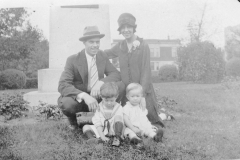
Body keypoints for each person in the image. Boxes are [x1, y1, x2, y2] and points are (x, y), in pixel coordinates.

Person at [104, 13, 164, 128]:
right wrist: (94, 52)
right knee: (127, 118)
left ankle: (160, 117)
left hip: (142, 90)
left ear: (133, 28)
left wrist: (142, 96)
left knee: (150, 120)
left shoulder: (143, 45)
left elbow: (146, 71)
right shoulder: (120, 46)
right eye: (123, 28)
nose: (126, 30)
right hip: (127, 91)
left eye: (129, 27)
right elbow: (107, 54)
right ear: (120, 30)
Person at [58, 26, 124, 130]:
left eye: (97, 42)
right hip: (81, 101)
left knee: (120, 85)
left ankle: (106, 117)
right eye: (91, 42)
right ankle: (76, 121)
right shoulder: (73, 60)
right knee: (67, 103)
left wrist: (100, 83)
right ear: (84, 43)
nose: (95, 45)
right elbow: (63, 85)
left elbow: (115, 74)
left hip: (98, 97)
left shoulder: (102, 56)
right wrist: (84, 96)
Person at [82, 82, 124, 147]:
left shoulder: (118, 107)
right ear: (101, 97)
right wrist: (102, 136)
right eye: (106, 100)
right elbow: (98, 123)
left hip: (113, 129)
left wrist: (118, 133)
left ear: (116, 97)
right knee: (85, 127)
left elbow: (120, 121)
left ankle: (117, 138)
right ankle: (94, 139)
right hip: (102, 129)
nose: (109, 103)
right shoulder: (99, 107)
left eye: (112, 100)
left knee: (118, 117)